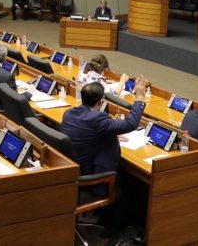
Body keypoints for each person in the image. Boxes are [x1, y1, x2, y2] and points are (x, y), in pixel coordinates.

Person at [60, 77, 147, 233]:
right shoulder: (98, 119)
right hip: (89, 176)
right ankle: (114, 227)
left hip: (70, 170)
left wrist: (111, 133)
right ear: (100, 102)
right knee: (131, 182)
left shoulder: (69, 113)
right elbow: (130, 124)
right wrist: (140, 97)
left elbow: (89, 132)